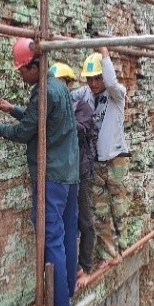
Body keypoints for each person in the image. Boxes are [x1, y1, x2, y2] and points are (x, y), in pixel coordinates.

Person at [0, 38, 79, 306]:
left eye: (22, 69)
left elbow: (25, 133)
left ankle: (59, 304)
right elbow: (40, 119)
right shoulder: (57, 86)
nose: (20, 75)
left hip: (53, 176)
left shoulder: (43, 91)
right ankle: (68, 287)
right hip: (69, 174)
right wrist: (13, 110)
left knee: (51, 234)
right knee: (68, 231)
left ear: (35, 66)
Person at [71, 47, 130, 270]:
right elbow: (64, 94)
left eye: (97, 78)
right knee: (101, 213)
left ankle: (123, 248)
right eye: (90, 79)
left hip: (116, 160)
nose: (94, 83)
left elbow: (112, 83)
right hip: (95, 162)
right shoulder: (85, 94)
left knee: (119, 207)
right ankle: (109, 254)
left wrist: (105, 54)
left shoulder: (116, 95)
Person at [49, 63, 98, 289]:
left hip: (80, 174)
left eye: (60, 84)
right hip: (62, 177)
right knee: (64, 226)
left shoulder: (82, 108)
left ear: (68, 85)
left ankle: (86, 266)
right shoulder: (52, 108)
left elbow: (76, 130)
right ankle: (71, 268)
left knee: (84, 221)